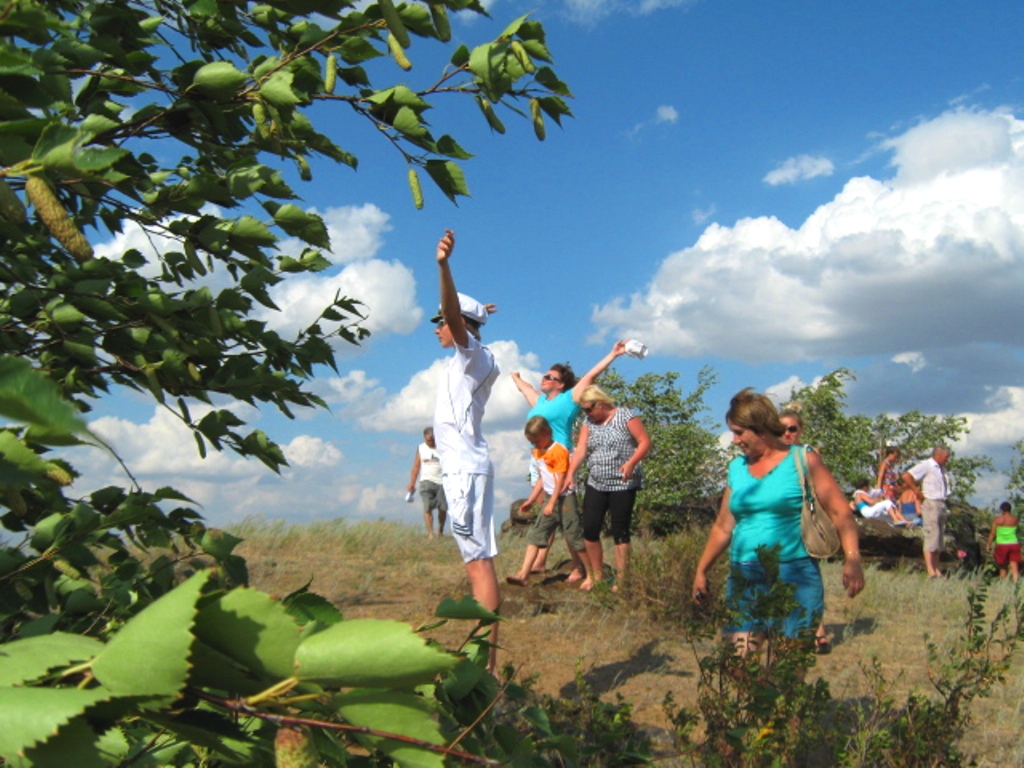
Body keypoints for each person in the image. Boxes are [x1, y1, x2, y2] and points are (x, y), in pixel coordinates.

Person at [692, 389, 864, 655]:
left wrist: (852, 558)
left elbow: (841, 512)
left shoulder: (803, 459)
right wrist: (702, 570)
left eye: (739, 432)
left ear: (761, 429)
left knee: (788, 662)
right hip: (745, 573)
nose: (735, 440)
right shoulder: (737, 468)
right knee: (737, 661)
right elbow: (723, 525)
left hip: (794, 572)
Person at [430, 229, 501, 671]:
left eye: (442, 321)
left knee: (478, 565)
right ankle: (485, 658)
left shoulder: (473, 355)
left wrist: (443, 267)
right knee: (480, 561)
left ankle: (485, 664)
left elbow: (457, 319)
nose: (438, 328)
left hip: (464, 471)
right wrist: (479, 311)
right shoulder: (474, 356)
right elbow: (463, 319)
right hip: (467, 468)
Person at [510, 341, 630, 577]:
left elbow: (593, 374)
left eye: (549, 376)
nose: (543, 379)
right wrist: (514, 376)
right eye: (543, 375)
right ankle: (541, 561)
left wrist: (614, 354)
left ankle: (578, 567)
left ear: (561, 383)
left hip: (561, 460)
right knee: (546, 511)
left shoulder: (569, 398)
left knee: (566, 517)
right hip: (539, 460)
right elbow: (524, 388)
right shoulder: (540, 402)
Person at [567, 385, 651, 591]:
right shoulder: (588, 422)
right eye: (584, 410)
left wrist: (631, 463)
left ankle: (622, 580)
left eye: (589, 409)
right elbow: (581, 450)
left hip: (623, 482)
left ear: (601, 403)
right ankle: (597, 575)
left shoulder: (625, 415)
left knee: (619, 530)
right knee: (590, 528)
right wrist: (570, 474)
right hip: (596, 480)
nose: (587, 414)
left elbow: (644, 442)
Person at [505, 417, 593, 588]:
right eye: (531, 442)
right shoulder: (538, 451)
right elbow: (542, 479)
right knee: (536, 534)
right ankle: (523, 574)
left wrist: (552, 503)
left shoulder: (558, 451)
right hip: (549, 497)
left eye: (536, 440)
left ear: (546, 433)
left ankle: (590, 574)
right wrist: (531, 500)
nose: (535, 444)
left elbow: (560, 479)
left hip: (565, 498)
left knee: (574, 535)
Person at [778, 408, 831, 653]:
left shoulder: (808, 455)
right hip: (779, 527)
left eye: (792, 428)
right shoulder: (771, 457)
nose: (787, 433)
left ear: (800, 430)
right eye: (782, 429)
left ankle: (816, 630)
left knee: (808, 576)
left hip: (803, 524)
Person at [901, 446, 952, 579]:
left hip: (941, 502)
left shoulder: (941, 469)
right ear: (939, 455)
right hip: (931, 502)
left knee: (939, 537)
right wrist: (917, 491)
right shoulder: (927, 465)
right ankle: (930, 570)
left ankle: (936, 568)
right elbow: (907, 476)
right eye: (946, 456)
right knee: (931, 534)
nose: (948, 459)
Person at [406, 427, 447, 539]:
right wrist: (412, 483)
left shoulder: (442, 448)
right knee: (427, 508)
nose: (430, 442)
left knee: (443, 508)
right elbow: (416, 466)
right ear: (424, 438)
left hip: (441, 482)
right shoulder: (421, 448)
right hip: (426, 481)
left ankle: (440, 530)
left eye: (432, 439)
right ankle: (430, 533)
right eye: (428, 439)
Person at [985, 501, 1020, 581]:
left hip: (1002, 545)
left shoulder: (997, 520)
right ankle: (1016, 583)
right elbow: (1017, 531)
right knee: (1014, 566)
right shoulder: (1015, 520)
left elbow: (992, 533)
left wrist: (988, 544)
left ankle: (1003, 582)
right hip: (1014, 544)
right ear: (1010, 510)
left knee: (1002, 566)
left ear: (1002, 510)